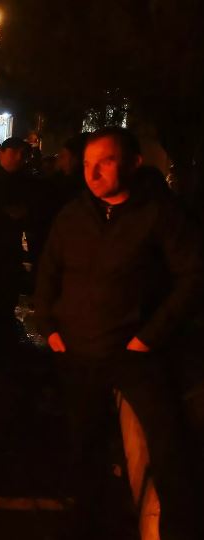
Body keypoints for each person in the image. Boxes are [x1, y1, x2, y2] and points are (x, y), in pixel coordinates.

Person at [35, 127, 203, 540]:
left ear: (132, 164)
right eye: (88, 164)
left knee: (167, 446)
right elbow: (48, 272)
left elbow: (194, 275)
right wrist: (50, 328)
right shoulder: (73, 215)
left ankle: (176, 528)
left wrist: (149, 336)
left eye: (105, 162)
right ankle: (88, 524)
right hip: (79, 351)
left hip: (135, 354)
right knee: (83, 447)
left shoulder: (159, 215)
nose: (92, 174)